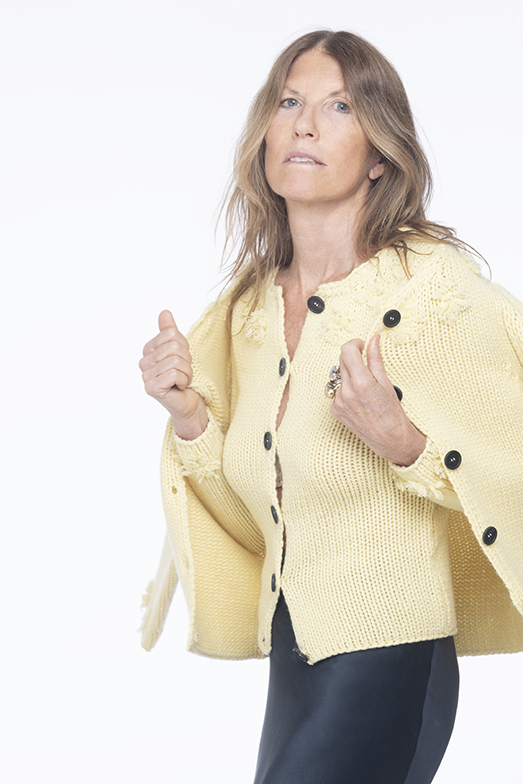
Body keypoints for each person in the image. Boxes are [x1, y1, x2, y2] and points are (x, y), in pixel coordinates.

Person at [138, 30, 523, 784]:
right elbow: (260, 521)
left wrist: (404, 441)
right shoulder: (246, 314)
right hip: (294, 659)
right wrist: (190, 418)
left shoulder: (431, 292)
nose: (306, 125)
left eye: (339, 106)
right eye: (289, 102)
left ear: (380, 152)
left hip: (392, 652)